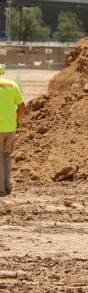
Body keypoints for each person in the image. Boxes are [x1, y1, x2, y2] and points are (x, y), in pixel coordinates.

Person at [0, 65, 25, 197]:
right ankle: (7, 185)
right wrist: (16, 120)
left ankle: (1, 189)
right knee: (7, 156)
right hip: (10, 128)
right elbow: (22, 107)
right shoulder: (12, 85)